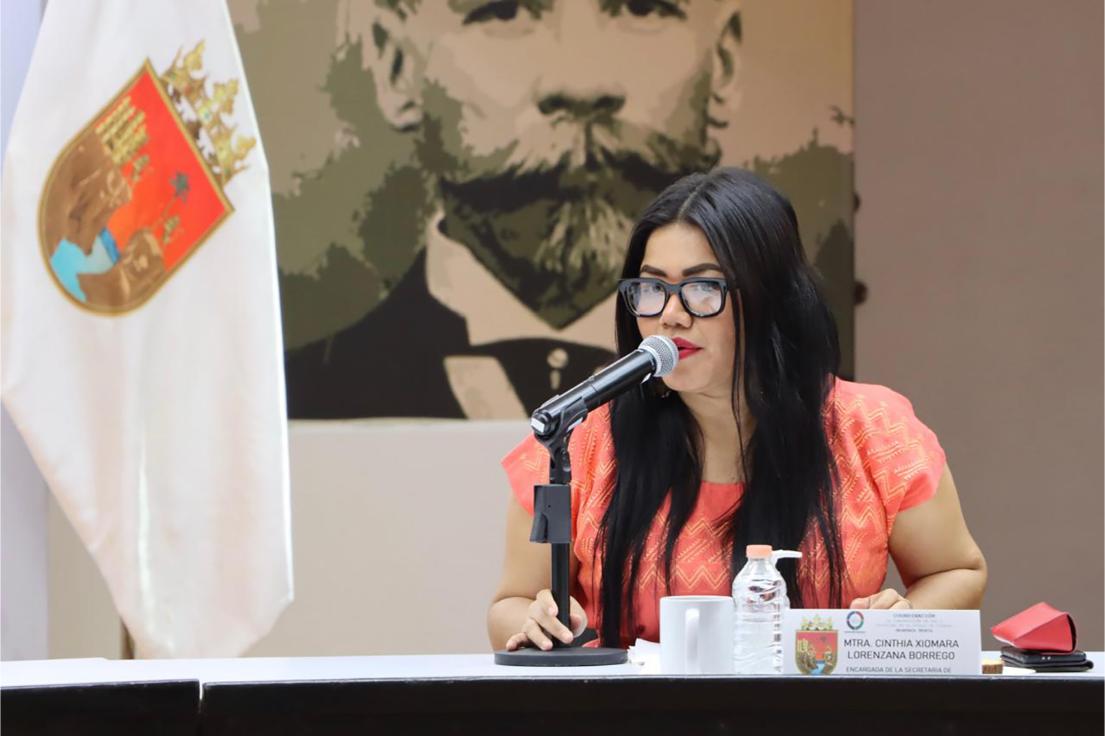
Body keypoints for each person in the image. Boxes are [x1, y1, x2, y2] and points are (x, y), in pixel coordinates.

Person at [487, 168, 987, 650]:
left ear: (772, 299)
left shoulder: (872, 429)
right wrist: (535, 622)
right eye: (653, 288)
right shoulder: (582, 440)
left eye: (703, 288)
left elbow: (956, 571)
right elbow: (512, 603)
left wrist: (900, 621)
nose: (670, 315)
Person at [285, 0, 741, 419]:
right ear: (396, 66)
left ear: (722, 62)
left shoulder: (780, 398)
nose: (582, 86)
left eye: (642, 8)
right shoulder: (298, 397)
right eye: (503, 11)